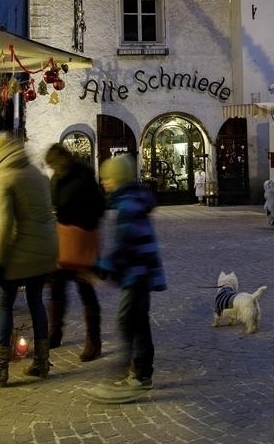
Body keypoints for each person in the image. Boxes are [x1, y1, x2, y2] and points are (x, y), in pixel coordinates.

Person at [87, 154, 167, 403]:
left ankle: (123, 379)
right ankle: (142, 374)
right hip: (142, 271)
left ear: (118, 178)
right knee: (139, 322)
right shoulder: (132, 200)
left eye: (108, 179)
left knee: (126, 323)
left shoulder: (128, 205)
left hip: (137, 273)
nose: (104, 183)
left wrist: (101, 267)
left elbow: (124, 245)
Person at [0, 133, 58, 387]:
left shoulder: (4, 177)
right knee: (36, 301)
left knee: (4, 304)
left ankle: (0, 368)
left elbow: (5, 223)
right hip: (45, 248)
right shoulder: (36, 173)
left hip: (19, 251)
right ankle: (42, 361)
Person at [44, 143, 106, 362]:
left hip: (82, 240)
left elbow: (99, 207)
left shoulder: (83, 177)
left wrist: (83, 224)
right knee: (57, 287)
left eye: (53, 165)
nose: (52, 169)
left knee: (85, 288)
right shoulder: (57, 179)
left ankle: (93, 341)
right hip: (63, 239)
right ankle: (55, 332)